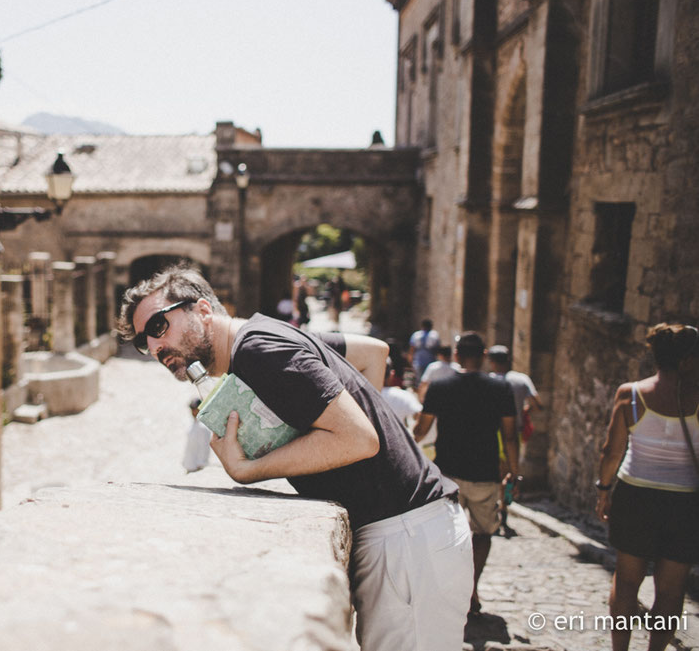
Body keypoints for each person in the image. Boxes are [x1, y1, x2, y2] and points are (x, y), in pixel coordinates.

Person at [118, 266, 472, 650]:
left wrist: (245, 469)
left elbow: (359, 440)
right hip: (408, 532)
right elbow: (374, 354)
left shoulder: (258, 352)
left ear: (202, 310)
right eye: (143, 342)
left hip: (404, 538)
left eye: (158, 327)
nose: (154, 348)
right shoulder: (267, 333)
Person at [595, 323, 699, 651]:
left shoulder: (630, 394)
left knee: (626, 582)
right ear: (686, 360)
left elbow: (612, 451)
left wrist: (603, 490)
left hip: (635, 496)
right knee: (671, 590)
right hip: (684, 502)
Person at [413, 331, 518, 620]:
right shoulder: (501, 389)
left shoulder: (440, 386)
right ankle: (472, 590)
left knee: (448, 534)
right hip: (485, 474)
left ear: (456, 355)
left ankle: (451, 589)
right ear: (484, 356)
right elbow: (510, 436)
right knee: (483, 533)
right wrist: (515, 472)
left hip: (449, 474)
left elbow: (421, 430)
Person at [487, 344, 541, 535]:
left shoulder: (489, 381)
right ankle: (504, 511)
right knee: (509, 476)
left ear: (491, 361)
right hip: (514, 434)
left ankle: (491, 512)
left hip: (492, 433)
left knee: (495, 475)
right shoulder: (521, 379)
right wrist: (524, 411)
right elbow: (537, 404)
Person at [182, 397, 213, 473]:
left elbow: (205, 446)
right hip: (189, 464)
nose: (193, 412)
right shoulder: (192, 423)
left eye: (195, 409)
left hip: (197, 466)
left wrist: (201, 464)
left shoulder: (203, 426)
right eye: (192, 409)